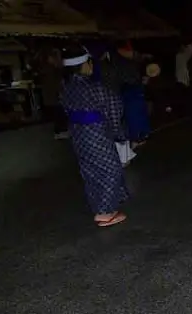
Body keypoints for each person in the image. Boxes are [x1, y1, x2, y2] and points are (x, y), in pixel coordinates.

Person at [59, 44, 129, 227]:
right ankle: (105, 212)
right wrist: (117, 132)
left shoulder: (66, 87)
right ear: (86, 64)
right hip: (96, 130)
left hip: (77, 132)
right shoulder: (95, 87)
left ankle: (100, 205)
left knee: (90, 170)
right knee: (111, 168)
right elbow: (114, 108)